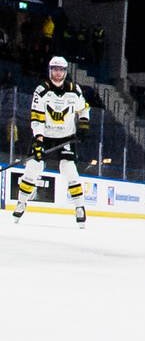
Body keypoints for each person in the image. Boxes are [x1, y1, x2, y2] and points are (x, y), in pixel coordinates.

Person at [12, 54, 91, 225]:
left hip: (66, 137)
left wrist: (84, 125)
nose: (57, 73)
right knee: (33, 167)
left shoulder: (74, 90)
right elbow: (36, 117)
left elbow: (84, 109)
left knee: (68, 168)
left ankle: (80, 206)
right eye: (54, 69)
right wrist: (39, 140)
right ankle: (21, 203)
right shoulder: (41, 90)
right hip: (45, 136)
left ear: (65, 72)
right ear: (50, 71)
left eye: (60, 70)